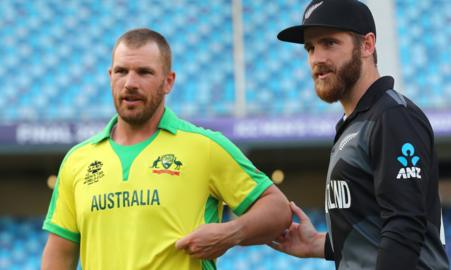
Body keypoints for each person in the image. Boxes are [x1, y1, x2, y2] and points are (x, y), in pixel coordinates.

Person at [41, 28, 292, 270]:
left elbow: (278, 210)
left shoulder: (203, 146)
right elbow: (60, 253)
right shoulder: (78, 159)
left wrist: (229, 233)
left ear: (168, 81)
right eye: (121, 71)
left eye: (144, 72)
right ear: (110, 77)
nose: (130, 83)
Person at [271, 0, 450, 269]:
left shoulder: (392, 117)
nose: (316, 58)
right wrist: (319, 243)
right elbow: (373, 230)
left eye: (329, 43)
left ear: (367, 45)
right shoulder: (355, 124)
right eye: (310, 47)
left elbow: (404, 228)